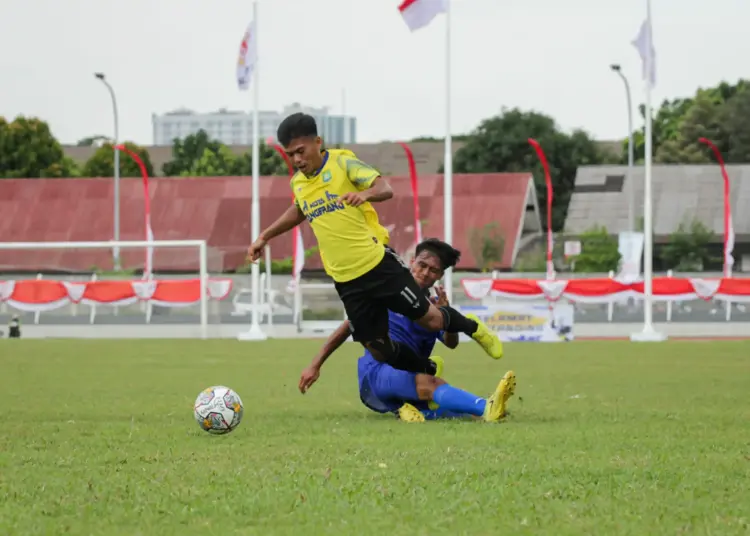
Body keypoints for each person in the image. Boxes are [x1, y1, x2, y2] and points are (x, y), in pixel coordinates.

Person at [247, 113, 504, 376]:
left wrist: (363, 194)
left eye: (301, 151)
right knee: (378, 348)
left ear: (318, 142)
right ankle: (428, 367)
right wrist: (264, 237)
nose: (297, 160)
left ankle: (473, 328)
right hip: (346, 279)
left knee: (431, 320)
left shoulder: (342, 163)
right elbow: (300, 209)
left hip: (377, 265)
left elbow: (385, 188)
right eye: (291, 155)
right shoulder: (298, 183)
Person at [298, 238, 517, 423]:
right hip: (377, 372)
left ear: (440, 275)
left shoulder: (434, 309)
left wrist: (447, 316)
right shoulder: (385, 293)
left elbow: (451, 343)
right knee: (434, 385)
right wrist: (315, 365)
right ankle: (486, 407)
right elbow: (347, 327)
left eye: (433, 270)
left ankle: (410, 410)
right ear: (412, 261)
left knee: (456, 411)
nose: (425, 273)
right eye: (422, 265)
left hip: (411, 374)